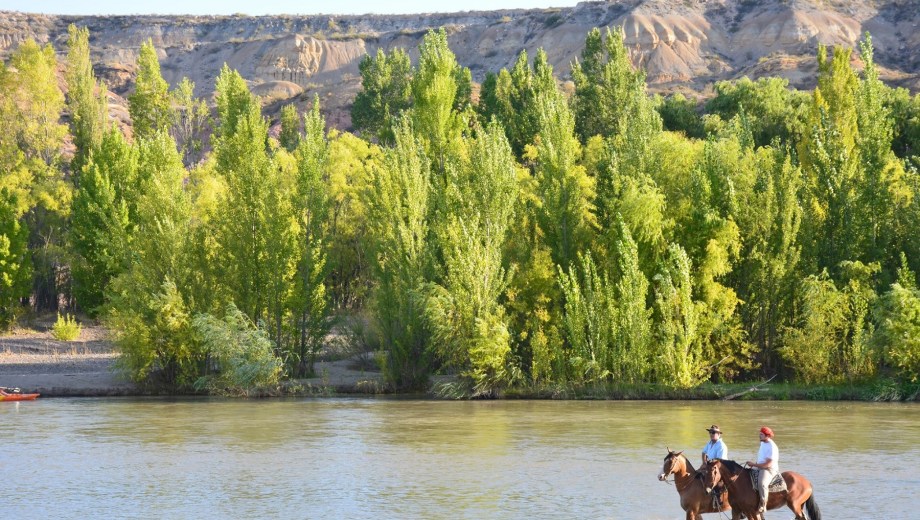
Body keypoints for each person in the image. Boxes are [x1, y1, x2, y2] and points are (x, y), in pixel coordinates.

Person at [746, 426, 779, 513]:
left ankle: (763, 504)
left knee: (762, 483)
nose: (759, 436)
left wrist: (754, 464)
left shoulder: (772, 447)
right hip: (760, 466)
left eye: (761, 434)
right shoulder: (763, 443)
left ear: (767, 436)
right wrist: (754, 465)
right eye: (760, 434)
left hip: (769, 469)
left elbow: (768, 464)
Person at [701, 425, 728, 508]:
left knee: (715, 482)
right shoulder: (709, 443)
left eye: (713, 432)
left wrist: (709, 465)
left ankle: (718, 500)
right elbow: (703, 452)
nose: (711, 434)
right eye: (710, 432)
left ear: (718, 434)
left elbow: (720, 461)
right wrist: (704, 463)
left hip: (720, 467)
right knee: (696, 474)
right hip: (709, 466)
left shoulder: (721, 445)